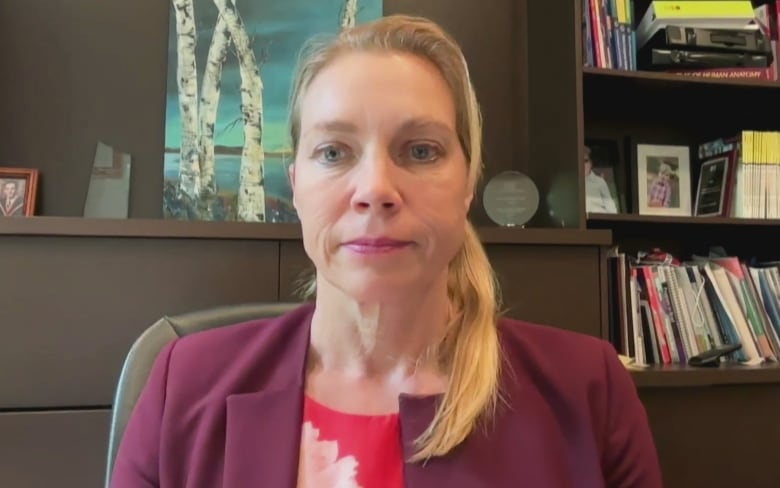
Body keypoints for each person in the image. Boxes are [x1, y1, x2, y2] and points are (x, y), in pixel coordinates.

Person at [110, 14, 663, 488]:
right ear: (295, 181)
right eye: (333, 152)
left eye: (421, 151)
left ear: (469, 180)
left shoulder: (589, 390)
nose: (375, 188)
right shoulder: (183, 383)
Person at [583, 145, 618, 214]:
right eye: (580, 161)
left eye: (585, 161)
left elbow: (611, 209)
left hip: (598, 218)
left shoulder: (599, 182)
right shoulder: (570, 182)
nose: (583, 164)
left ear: (591, 163)